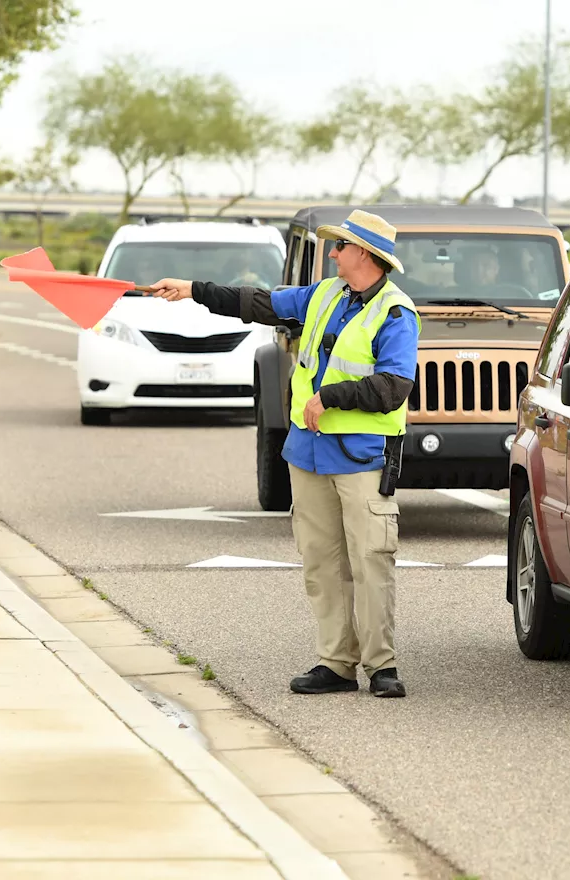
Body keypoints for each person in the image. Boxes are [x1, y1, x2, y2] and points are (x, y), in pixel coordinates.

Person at [146, 210, 421, 698]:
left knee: (371, 561)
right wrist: (192, 289)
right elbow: (260, 302)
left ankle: (382, 667)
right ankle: (336, 664)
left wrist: (329, 398)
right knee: (321, 563)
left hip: (362, 459)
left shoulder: (396, 313)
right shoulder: (323, 295)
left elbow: (395, 385)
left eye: (340, 246)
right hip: (308, 455)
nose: (332, 253)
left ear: (364, 254)